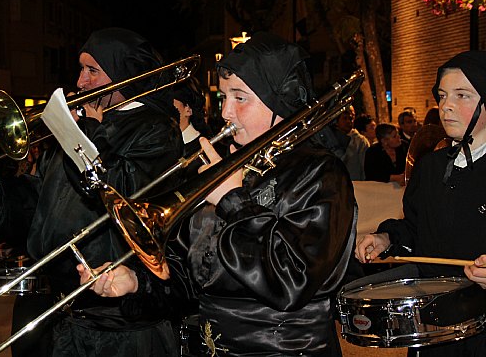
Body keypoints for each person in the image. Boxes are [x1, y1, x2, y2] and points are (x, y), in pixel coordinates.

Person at [83, 32, 358, 356]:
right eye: (225, 97)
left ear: (278, 101)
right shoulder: (230, 164)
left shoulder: (320, 174)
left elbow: (291, 281)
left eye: (240, 98)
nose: (226, 111)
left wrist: (232, 201)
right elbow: (187, 276)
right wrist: (137, 283)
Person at [0, 28, 184, 357]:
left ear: (125, 74)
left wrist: (88, 132)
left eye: (93, 70)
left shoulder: (156, 128)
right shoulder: (79, 128)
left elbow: (121, 193)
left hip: (118, 323)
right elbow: (42, 203)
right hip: (66, 313)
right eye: (81, 69)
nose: (81, 82)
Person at [356, 51, 486, 356]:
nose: (446, 106)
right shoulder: (430, 167)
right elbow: (415, 227)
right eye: (442, 95)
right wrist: (386, 237)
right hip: (433, 327)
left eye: (462, 95)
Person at [334, 106, 370, 180]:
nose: (348, 122)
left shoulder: (361, 142)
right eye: (344, 118)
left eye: (350, 119)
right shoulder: (331, 139)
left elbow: (365, 167)